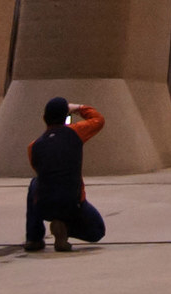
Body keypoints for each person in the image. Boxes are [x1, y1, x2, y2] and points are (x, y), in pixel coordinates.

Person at [22, 95, 107, 253]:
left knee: (35, 182)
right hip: (72, 204)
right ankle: (65, 227)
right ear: (65, 117)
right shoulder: (75, 133)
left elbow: (40, 170)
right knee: (97, 231)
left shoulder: (33, 146)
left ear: (44, 118)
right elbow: (98, 119)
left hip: (45, 206)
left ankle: (33, 238)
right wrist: (78, 107)